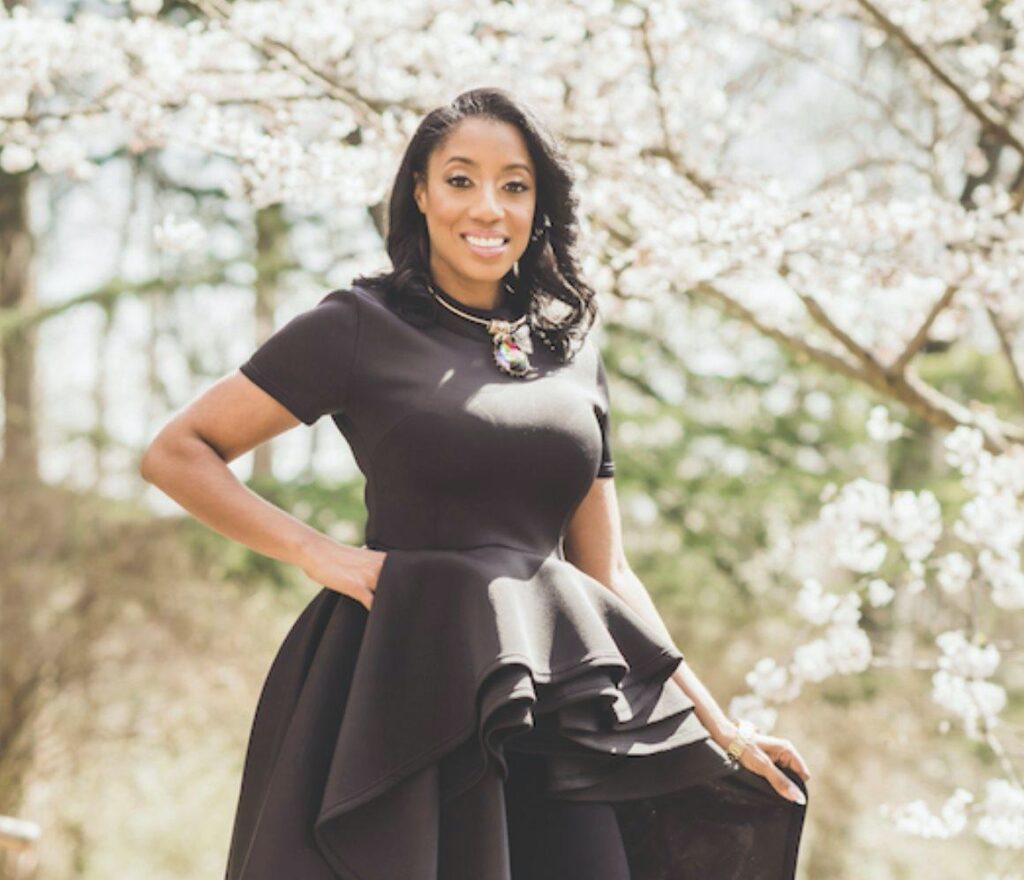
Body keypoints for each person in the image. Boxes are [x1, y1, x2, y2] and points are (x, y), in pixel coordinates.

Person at [140, 86, 811, 880]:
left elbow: (607, 571)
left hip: (555, 703)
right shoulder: (358, 325)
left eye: (514, 185)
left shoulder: (573, 352)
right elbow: (178, 451)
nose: (487, 206)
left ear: (539, 205)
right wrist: (319, 554)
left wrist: (719, 724)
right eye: (460, 180)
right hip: (400, 686)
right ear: (420, 193)